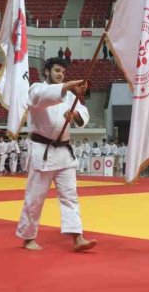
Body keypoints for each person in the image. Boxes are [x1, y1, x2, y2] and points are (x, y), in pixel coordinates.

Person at [16, 57, 95, 252]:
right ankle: (28, 237)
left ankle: (77, 237)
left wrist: (75, 116)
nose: (60, 74)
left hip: (64, 152)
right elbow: (41, 98)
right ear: (47, 72)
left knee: (70, 196)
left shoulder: (68, 96)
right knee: (35, 197)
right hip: (43, 151)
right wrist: (67, 86)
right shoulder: (36, 89)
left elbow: (82, 112)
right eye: (57, 71)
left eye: (63, 72)